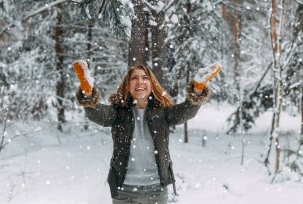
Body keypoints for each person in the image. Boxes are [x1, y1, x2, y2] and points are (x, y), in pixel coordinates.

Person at [75, 64, 213, 204]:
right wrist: (87, 93)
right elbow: (98, 114)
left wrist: (197, 90)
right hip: (124, 189)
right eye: (134, 78)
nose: (140, 82)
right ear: (128, 85)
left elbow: (186, 111)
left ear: (151, 84)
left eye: (145, 78)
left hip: (157, 189)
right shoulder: (118, 113)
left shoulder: (163, 113)